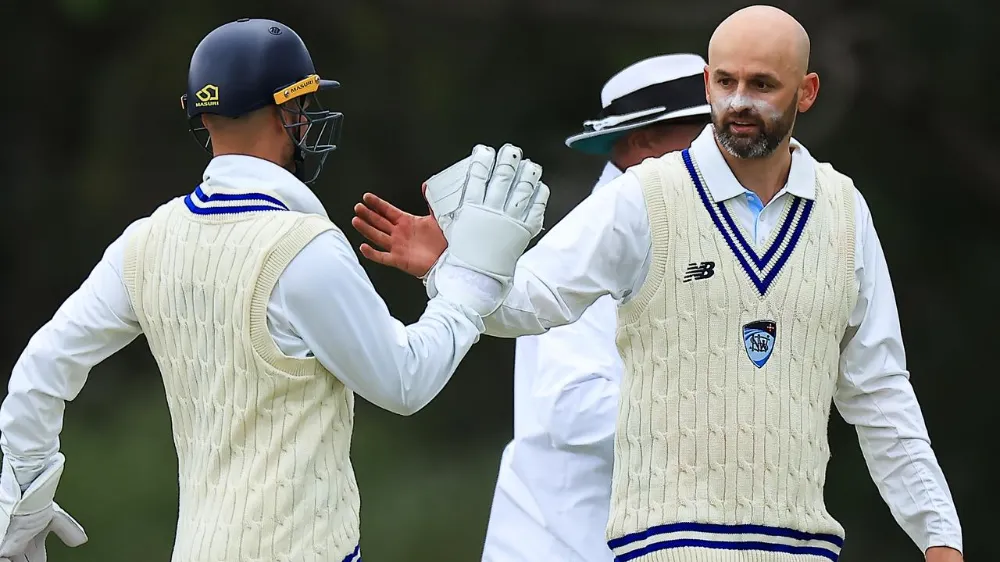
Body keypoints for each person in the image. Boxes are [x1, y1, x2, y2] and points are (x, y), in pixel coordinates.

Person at [350, 6, 964, 562]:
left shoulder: (843, 210)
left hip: (795, 543)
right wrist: (455, 269)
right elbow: (529, 310)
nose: (737, 106)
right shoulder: (641, 205)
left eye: (763, 85)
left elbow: (879, 389)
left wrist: (939, 535)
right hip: (611, 543)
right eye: (724, 86)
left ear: (806, 94)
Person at [0, 18, 549, 562]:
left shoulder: (141, 244)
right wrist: (469, 283)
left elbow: (41, 372)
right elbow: (405, 382)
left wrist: (24, 508)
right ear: (287, 112)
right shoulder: (303, 246)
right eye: (302, 108)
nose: (307, 121)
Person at [482, 54, 709, 562]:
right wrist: (714, 412)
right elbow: (573, 410)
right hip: (565, 547)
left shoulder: (683, 233)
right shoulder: (589, 242)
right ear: (640, 141)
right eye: (701, 130)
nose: (721, 153)